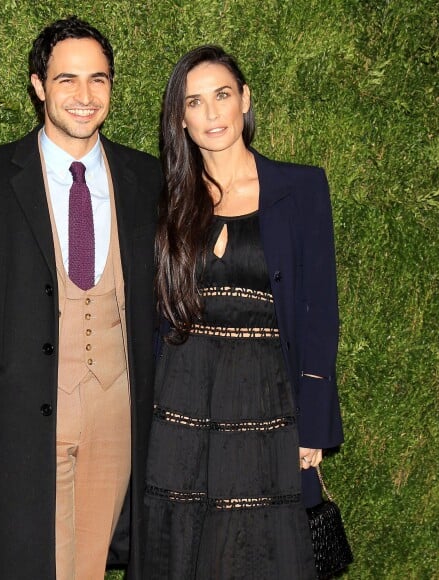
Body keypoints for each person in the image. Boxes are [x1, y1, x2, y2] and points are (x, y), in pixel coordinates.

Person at [0, 15, 161, 580]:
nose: (85, 97)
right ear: (39, 85)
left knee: (85, 569)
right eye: (67, 80)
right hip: (20, 419)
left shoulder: (147, 177)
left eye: (99, 80)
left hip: (117, 416)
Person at [143, 45, 344, 579]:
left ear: (245, 100)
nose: (211, 114)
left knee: (258, 553)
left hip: (266, 399)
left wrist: (314, 426)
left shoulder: (301, 188)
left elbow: (321, 311)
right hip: (182, 400)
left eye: (222, 96)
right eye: (194, 102)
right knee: (184, 549)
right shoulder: (166, 199)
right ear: (180, 119)